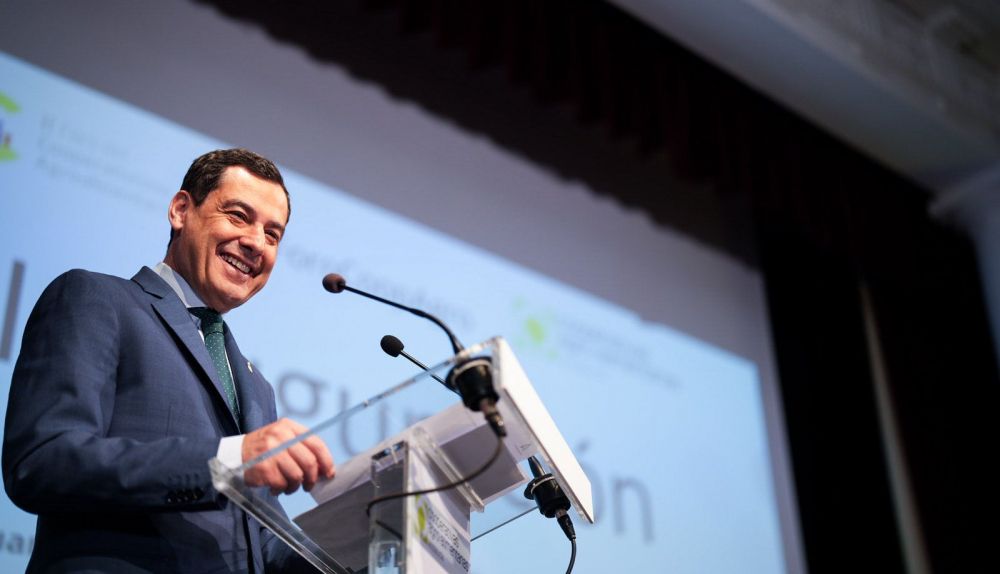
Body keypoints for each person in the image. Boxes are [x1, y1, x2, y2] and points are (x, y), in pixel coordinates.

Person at [2, 149, 334, 573]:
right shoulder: (97, 299)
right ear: (180, 210)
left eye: (273, 235)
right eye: (238, 216)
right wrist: (229, 459)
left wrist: (359, 542)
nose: (256, 243)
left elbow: (260, 542)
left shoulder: (257, 387)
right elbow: (43, 461)